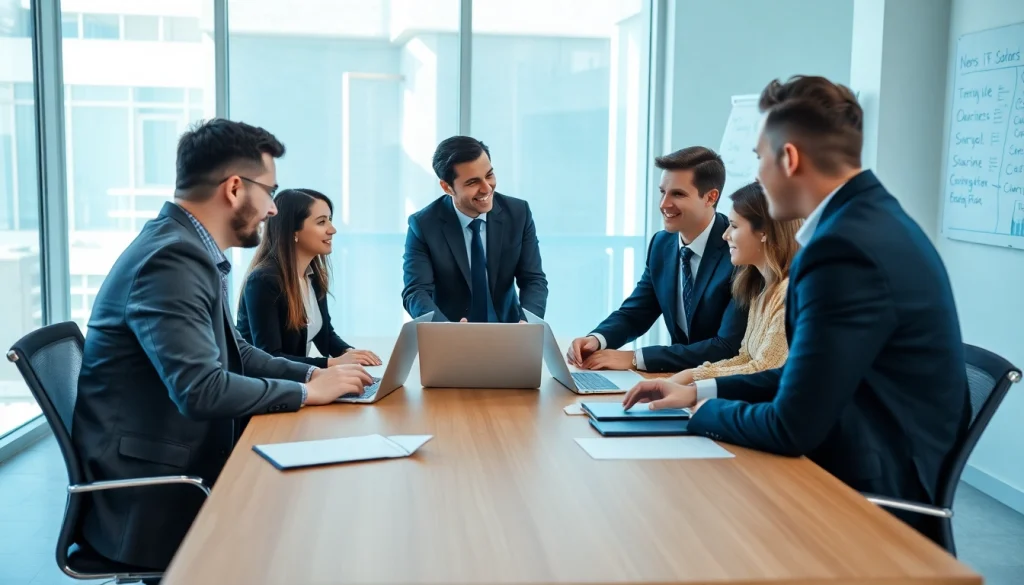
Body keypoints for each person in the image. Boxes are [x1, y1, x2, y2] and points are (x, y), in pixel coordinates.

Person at [623, 75, 970, 544]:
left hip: (861, 499)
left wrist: (697, 416)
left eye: (759, 159)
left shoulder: (842, 250)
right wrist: (696, 393)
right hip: (859, 459)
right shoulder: (871, 221)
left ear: (789, 159)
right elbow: (801, 378)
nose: (758, 177)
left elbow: (792, 425)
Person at [73, 119, 374, 572]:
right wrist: (309, 393)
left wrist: (315, 374)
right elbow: (201, 389)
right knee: (323, 534)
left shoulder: (187, 248)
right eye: (270, 191)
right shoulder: (171, 259)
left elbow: (240, 354)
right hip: (155, 497)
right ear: (235, 188)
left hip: (182, 461)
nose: (274, 209)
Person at [566, 147, 747, 373]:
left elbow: (726, 346)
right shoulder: (662, 245)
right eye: (663, 192)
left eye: (677, 194)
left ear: (710, 197)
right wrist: (598, 339)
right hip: (675, 380)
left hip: (721, 385)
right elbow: (637, 312)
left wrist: (634, 358)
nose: (663, 204)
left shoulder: (739, 251)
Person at [666, 182, 801, 387]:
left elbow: (764, 369)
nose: (725, 234)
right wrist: (691, 375)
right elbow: (745, 358)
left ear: (764, 232)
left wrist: (693, 379)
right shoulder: (761, 289)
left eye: (734, 226)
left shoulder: (788, 294)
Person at [402, 136, 548, 323]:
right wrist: (443, 329)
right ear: (447, 187)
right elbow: (416, 292)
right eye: (472, 182)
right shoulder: (423, 225)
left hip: (510, 332)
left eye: (489, 175)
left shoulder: (518, 214)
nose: (487, 188)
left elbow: (533, 279)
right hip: (451, 336)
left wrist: (527, 324)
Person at [237, 188, 382, 368]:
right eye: (321, 222)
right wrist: (332, 363)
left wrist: (349, 353)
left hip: (296, 383)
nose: (332, 229)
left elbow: (325, 336)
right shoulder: (263, 280)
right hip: (264, 388)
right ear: (293, 231)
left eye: (330, 220)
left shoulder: (312, 275)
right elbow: (270, 358)